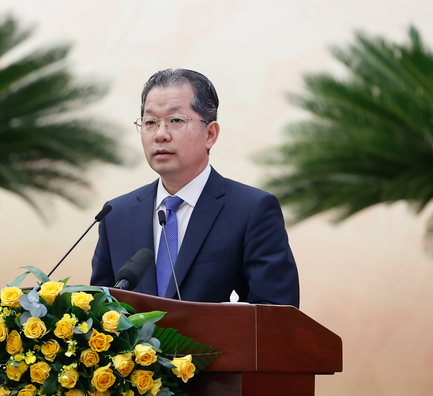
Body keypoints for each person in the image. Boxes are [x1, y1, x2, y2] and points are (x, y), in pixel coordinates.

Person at [90, 69, 299, 307]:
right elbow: (99, 311)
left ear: (210, 134)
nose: (160, 135)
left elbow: (278, 317)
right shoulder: (116, 215)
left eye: (176, 121)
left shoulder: (252, 211)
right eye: (150, 122)